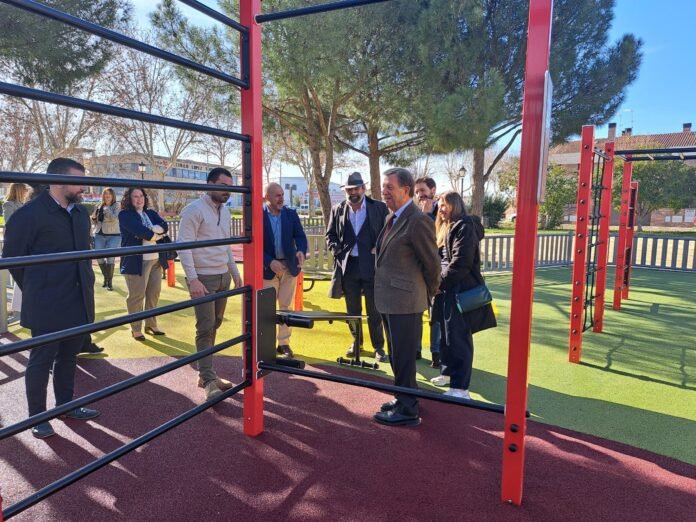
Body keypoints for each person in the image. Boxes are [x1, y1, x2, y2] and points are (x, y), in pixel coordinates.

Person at [2, 158, 99, 439]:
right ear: (58, 181)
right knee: (41, 359)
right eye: (78, 182)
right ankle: (38, 417)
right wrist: (36, 288)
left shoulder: (80, 214)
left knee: (69, 356)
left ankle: (66, 406)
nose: (83, 188)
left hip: (79, 297)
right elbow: (13, 260)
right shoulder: (28, 215)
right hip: (46, 301)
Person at [373, 168, 440, 427]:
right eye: (383, 187)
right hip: (390, 300)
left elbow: (432, 264)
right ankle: (403, 397)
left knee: (403, 356)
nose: (384, 192)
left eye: (389, 187)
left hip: (406, 302)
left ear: (406, 190)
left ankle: (408, 410)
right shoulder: (392, 217)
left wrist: (427, 293)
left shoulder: (417, 220)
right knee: (396, 355)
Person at [177, 168, 243, 400]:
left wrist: (234, 272)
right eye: (223, 186)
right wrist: (193, 279)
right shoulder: (194, 210)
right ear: (210, 184)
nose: (228, 191)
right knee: (205, 328)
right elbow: (183, 246)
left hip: (223, 276)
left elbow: (225, 245)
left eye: (230, 187)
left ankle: (207, 373)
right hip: (203, 278)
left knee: (215, 324)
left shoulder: (225, 211)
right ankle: (207, 380)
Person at [431, 191, 497, 398]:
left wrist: (439, 283)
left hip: (459, 289)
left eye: (445, 205)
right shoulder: (447, 226)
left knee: (459, 337)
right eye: (439, 205)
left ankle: (460, 388)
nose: (441, 209)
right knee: (446, 335)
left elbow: (461, 262)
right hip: (446, 288)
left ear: (456, 205)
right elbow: (442, 258)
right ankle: (447, 373)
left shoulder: (464, 226)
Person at [326, 172, 389, 362]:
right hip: (349, 267)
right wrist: (336, 249)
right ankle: (356, 342)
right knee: (352, 310)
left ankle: (378, 347)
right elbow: (330, 235)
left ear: (363, 188)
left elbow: (389, 232)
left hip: (372, 266)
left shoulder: (379, 208)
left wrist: (379, 247)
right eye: (349, 190)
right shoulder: (338, 209)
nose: (353, 192)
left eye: (356, 189)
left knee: (374, 310)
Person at [263, 182, 308, 359]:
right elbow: (253, 244)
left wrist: (301, 250)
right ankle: (265, 344)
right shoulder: (258, 216)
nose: (281, 198)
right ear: (267, 197)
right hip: (268, 269)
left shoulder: (291, 214)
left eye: (282, 194)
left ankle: (283, 344)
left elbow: (300, 236)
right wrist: (269, 261)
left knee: (286, 307)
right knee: (266, 308)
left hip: (289, 267)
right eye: (277, 195)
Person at [118, 188, 168, 341]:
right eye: (135, 196)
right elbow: (141, 232)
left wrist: (153, 231)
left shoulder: (150, 213)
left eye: (141, 196)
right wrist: (156, 234)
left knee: (153, 294)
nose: (139, 199)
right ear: (129, 199)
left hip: (155, 260)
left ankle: (151, 324)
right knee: (137, 296)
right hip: (136, 261)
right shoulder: (125, 215)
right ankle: (136, 329)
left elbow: (164, 226)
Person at [415, 176, 442, 368]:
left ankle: (436, 352)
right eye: (417, 192)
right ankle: (415, 348)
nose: (420, 195)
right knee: (416, 312)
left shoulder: (443, 211)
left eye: (423, 190)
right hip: (417, 271)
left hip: (437, 271)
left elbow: (437, 237)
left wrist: (427, 216)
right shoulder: (415, 213)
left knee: (435, 315)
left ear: (433, 190)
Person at [3, 182, 30, 324]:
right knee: (18, 278)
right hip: (16, 246)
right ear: (19, 190)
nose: (27, 192)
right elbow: (10, 224)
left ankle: (21, 310)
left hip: (26, 246)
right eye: (25, 189)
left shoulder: (24, 205)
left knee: (24, 279)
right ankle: (18, 312)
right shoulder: (9, 205)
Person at [92, 187, 120, 291]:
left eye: (109, 194)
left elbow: (114, 219)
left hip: (113, 235)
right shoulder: (98, 205)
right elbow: (96, 222)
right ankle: (106, 278)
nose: (107, 195)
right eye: (105, 193)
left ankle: (109, 283)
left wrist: (107, 208)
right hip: (99, 234)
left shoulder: (116, 205)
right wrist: (93, 218)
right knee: (99, 257)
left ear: (113, 195)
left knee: (110, 258)